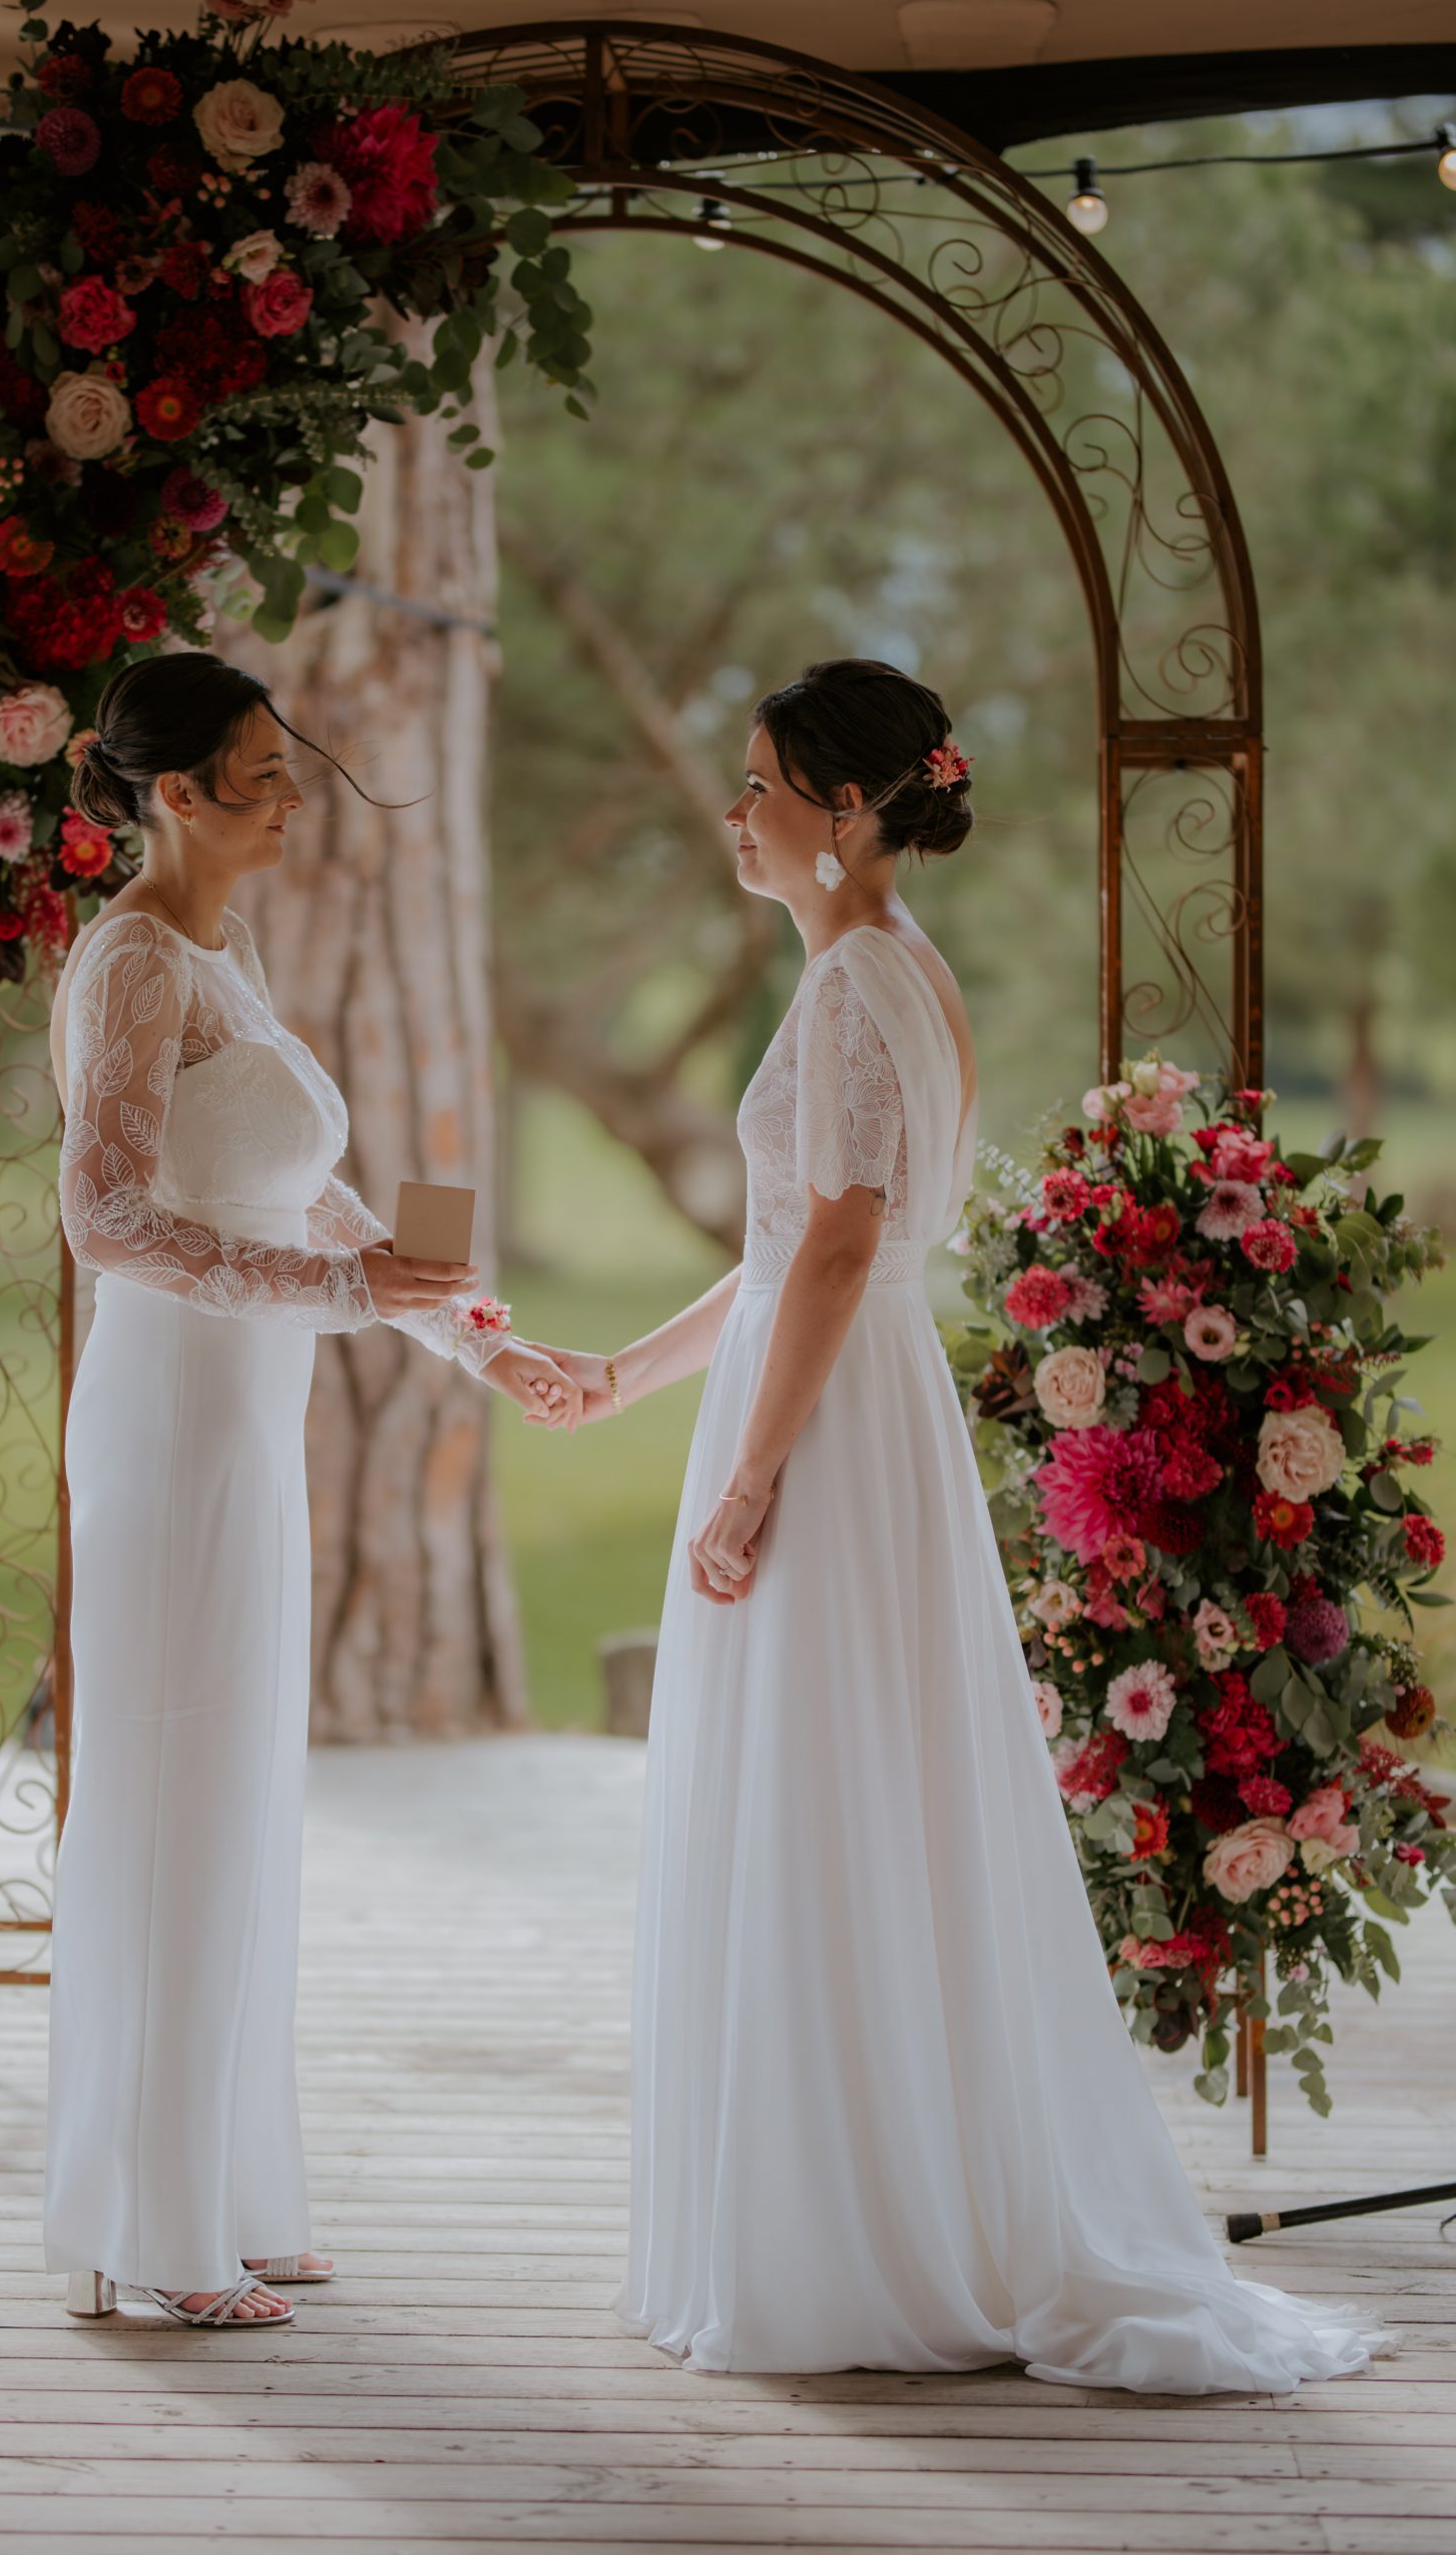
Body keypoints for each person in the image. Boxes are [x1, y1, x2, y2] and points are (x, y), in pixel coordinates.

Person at [537, 658, 1396, 2389]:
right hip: (858, 1399)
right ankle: (866, 2194)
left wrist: (756, 1474)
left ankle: (856, 2230)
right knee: (855, 1790)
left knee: (823, 1788)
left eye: (762, 781)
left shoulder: (857, 987)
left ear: (848, 813)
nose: (736, 810)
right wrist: (629, 1376)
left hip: (833, 1425)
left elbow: (842, 1250)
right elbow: (799, 1246)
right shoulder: (887, 972)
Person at [43, 653, 579, 2328]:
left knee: (239, 1786)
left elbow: (302, 1188)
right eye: (261, 774)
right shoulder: (132, 959)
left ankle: (230, 2184)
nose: (293, 796)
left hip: (245, 1406)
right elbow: (107, 1217)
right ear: (177, 794)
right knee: (172, 1784)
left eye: (287, 768)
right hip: (175, 1408)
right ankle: (152, 2230)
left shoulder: (227, 948)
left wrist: (461, 1324)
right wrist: (348, 1300)